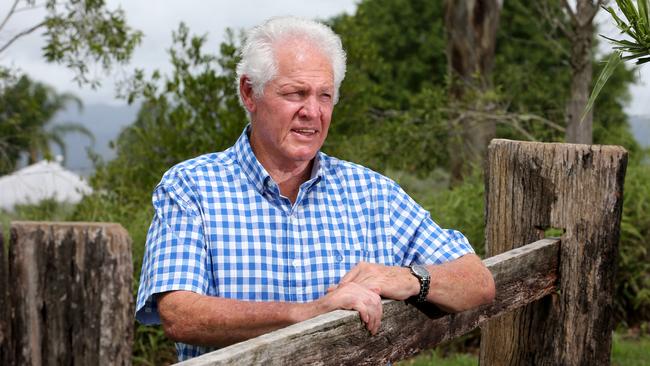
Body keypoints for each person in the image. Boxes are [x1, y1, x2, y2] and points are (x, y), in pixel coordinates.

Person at [135, 16, 495, 362]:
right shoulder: (191, 186)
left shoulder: (372, 193)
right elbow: (180, 314)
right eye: (295, 93)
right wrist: (306, 313)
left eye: (325, 95)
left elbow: (477, 282)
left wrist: (407, 278)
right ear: (250, 93)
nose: (313, 111)